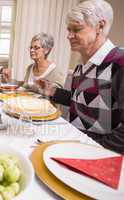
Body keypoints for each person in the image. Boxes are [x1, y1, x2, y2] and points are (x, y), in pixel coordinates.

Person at [36, 0, 124, 153]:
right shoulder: (81, 65)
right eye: (68, 29)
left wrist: (94, 150)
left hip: (97, 156)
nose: (69, 36)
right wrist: (53, 92)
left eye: (76, 29)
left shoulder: (120, 62)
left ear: (100, 26)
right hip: (75, 146)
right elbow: (80, 102)